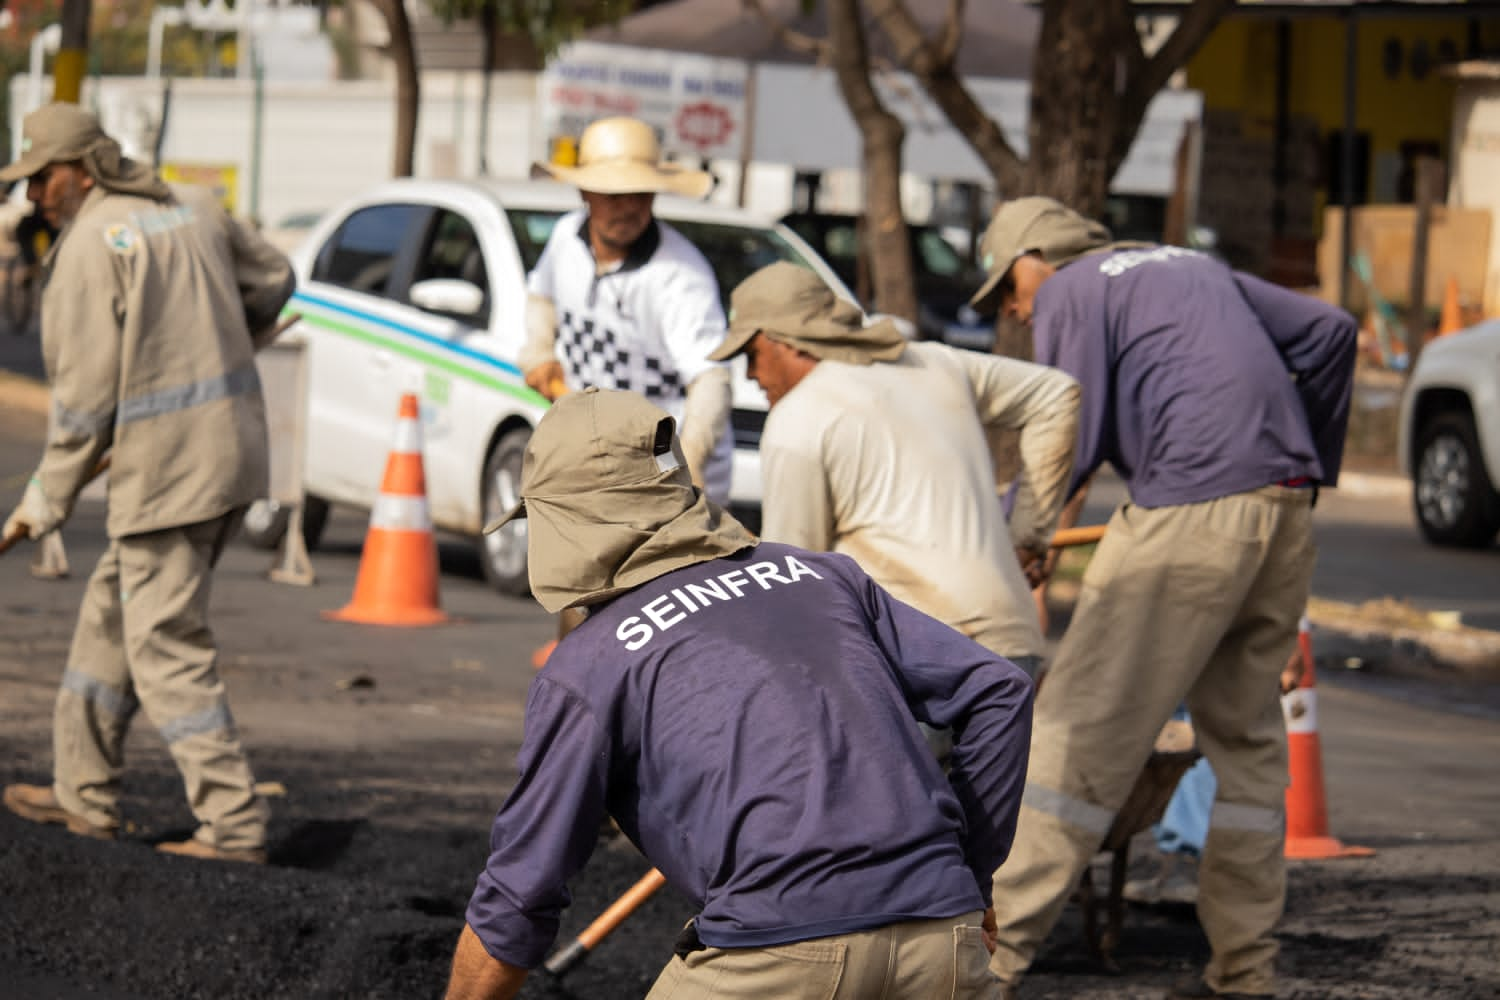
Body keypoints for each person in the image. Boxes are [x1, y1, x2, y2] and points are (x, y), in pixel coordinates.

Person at [443, 388, 1034, 1000]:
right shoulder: (821, 575)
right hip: (943, 939)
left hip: (776, 950)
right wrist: (971, 872)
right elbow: (999, 689)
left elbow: (518, 898)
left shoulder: (590, 666)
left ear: (563, 525)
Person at [968, 197, 1358, 999]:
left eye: (1006, 287)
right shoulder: (1192, 265)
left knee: (1077, 735)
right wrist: (1309, 469)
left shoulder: (1076, 287)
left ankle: (984, 969)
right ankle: (1244, 971)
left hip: (1189, 514)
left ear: (1037, 256)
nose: (1012, 308)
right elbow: (1330, 336)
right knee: (1247, 746)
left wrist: (1017, 542)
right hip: (1283, 508)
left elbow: (1064, 430)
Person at [0, 103, 296, 864]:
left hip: (169, 476)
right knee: (111, 615)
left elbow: (83, 407)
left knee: (163, 642)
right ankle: (82, 791)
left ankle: (233, 825)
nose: (34, 196)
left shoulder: (91, 250)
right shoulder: (192, 206)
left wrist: (41, 503)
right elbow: (275, 278)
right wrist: (228, 327)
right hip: (229, 456)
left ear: (85, 166)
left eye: (42, 178)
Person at [707, 261, 1081, 680]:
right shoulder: (933, 363)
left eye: (752, 355)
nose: (752, 376)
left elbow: (794, 580)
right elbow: (1056, 394)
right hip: (1011, 648)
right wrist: (1029, 537)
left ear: (787, 341)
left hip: (912, 661)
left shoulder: (798, 417)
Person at [521, 115, 736, 650]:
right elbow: (540, 295)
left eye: (639, 194)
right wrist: (540, 351)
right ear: (585, 193)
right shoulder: (566, 242)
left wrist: (688, 469)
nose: (626, 207)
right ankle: (576, 679)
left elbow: (710, 380)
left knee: (647, 610)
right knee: (578, 575)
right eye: (613, 195)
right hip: (593, 450)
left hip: (662, 462)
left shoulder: (678, 276)